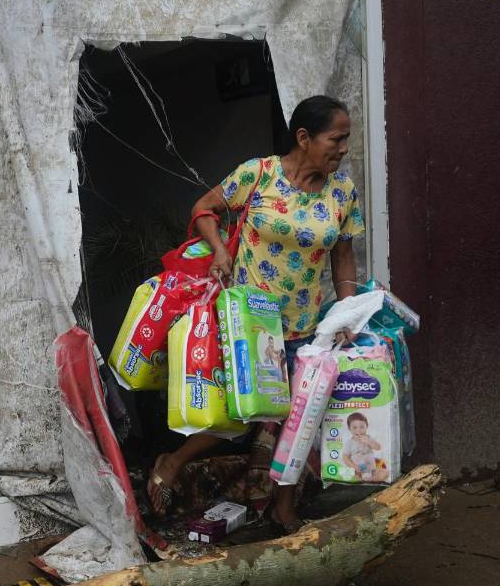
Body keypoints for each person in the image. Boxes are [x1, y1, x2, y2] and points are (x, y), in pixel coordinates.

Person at [147, 95, 365, 532]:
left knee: (296, 420)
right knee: (240, 412)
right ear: (303, 138)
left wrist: (346, 310)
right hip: (249, 322)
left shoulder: (342, 192)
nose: (343, 149)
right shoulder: (259, 174)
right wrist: (220, 250)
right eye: (336, 139)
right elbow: (203, 208)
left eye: (346, 140)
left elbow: (343, 257)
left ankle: (283, 505)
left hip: (305, 326)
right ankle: (173, 460)